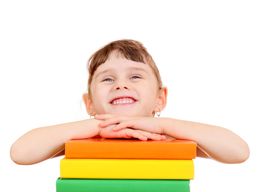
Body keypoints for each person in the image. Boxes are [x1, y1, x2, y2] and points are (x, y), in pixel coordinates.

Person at [10, 39, 249, 165]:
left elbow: (238, 152)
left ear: (160, 98)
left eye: (135, 76)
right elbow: (21, 153)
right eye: (107, 78)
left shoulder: (166, 139)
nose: (121, 85)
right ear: (89, 103)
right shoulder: (86, 139)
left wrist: (162, 126)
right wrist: (99, 126)